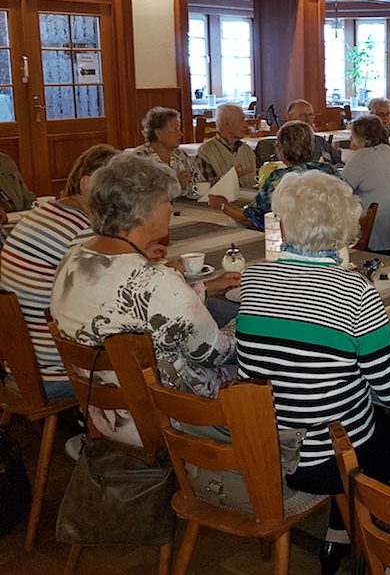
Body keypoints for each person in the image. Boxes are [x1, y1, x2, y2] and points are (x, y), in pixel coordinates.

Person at [236, 170, 390, 575]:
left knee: (343, 402)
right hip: (328, 460)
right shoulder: (355, 292)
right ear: (346, 229)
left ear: (282, 224)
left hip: (266, 450)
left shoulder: (253, 278)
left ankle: (339, 532)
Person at [50, 153, 239, 447]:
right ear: (143, 212)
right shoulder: (157, 282)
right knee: (272, 369)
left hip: (104, 415)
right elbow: (217, 353)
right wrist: (252, 314)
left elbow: (152, 310)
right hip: (167, 421)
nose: (171, 208)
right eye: (166, 201)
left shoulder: (73, 259)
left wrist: (203, 287)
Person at [0, 144, 119, 400]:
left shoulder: (40, 214)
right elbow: (111, 300)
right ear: (87, 184)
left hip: (18, 367)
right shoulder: (83, 230)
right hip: (58, 374)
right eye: (116, 188)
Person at [208, 120, 338, 229]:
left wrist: (223, 205)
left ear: (281, 152)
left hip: (296, 239)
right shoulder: (329, 171)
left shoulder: (280, 179)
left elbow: (251, 219)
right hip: (332, 234)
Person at [341, 116, 390, 253]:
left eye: (352, 139)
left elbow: (339, 190)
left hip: (380, 233)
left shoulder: (362, 157)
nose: (351, 145)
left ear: (361, 140)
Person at [134, 106, 204, 198]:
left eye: (179, 129)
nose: (181, 134)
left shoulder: (182, 156)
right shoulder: (139, 159)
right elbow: (136, 195)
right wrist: (174, 184)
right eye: (175, 129)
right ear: (159, 133)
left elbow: (199, 185)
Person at [196, 102, 258, 188]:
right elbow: (206, 189)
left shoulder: (247, 150)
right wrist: (228, 178)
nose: (246, 125)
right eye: (242, 120)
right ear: (227, 124)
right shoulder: (206, 152)